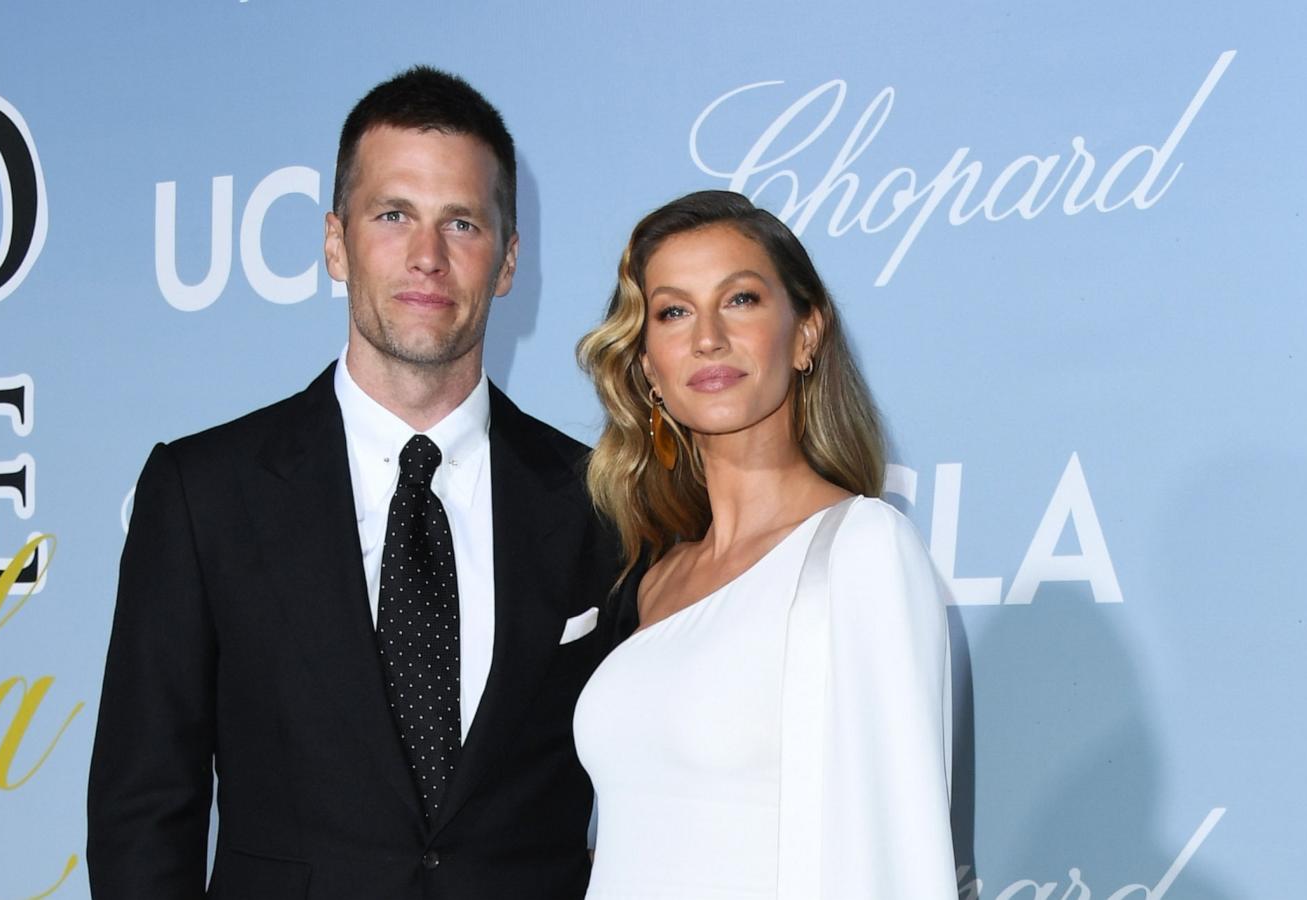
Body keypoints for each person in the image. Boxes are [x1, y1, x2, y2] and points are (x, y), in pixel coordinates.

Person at [88, 67, 626, 900]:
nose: (427, 256)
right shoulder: (204, 494)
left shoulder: (603, 502)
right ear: (336, 243)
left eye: (462, 222)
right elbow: (143, 814)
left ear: (509, 260)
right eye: (393, 215)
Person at [573, 190, 956, 898]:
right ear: (649, 366)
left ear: (806, 334)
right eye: (674, 312)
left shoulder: (860, 550)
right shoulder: (651, 581)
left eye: (741, 300)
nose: (707, 338)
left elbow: (897, 853)